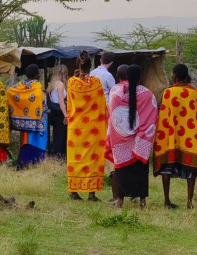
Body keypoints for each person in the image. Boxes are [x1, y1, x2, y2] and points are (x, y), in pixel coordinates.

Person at [104, 65, 157, 209]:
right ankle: (142, 201)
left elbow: (112, 116)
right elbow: (152, 117)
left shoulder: (115, 92)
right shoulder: (147, 94)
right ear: (140, 76)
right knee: (141, 170)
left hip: (120, 139)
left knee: (121, 169)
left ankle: (120, 200)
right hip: (141, 138)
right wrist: (141, 135)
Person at [154, 64, 197, 209]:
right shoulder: (194, 92)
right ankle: (189, 202)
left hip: (171, 135)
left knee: (166, 169)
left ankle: (167, 200)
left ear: (175, 75)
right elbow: (196, 115)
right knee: (191, 170)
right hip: (189, 135)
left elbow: (164, 116)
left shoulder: (169, 92)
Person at [67, 51, 107, 201]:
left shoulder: (72, 82)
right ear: (91, 66)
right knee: (92, 158)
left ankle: (74, 192)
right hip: (93, 128)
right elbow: (102, 104)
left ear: (78, 64)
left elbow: (70, 104)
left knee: (76, 159)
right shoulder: (96, 82)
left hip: (76, 127)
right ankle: (92, 194)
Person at [7, 64, 48, 168]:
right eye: (38, 73)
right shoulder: (37, 86)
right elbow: (41, 100)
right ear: (36, 75)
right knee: (38, 141)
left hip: (26, 122)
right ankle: (35, 163)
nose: (39, 75)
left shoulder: (21, 84)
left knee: (26, 141)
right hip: (39, 121)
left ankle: (23, 162)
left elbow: (9, 92)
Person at [107, 64, 129, 205]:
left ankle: (116, 197)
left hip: (115, 129)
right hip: (132, 131)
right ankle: (133, 195)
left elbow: (111, 109)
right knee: (131, 163)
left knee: (116, 163)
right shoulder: (139, 90)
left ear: (117, 76)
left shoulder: (114, 90)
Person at [47, 64, 69, 160]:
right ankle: (58, 154)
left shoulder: (52, 84)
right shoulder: (60, 84)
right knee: (61, 134)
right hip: (60, 112)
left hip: (53, 112)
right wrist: (65, 115)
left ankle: (54, 153)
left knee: (57, 133)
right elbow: (61, 101)